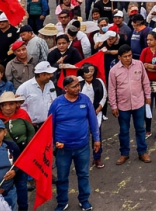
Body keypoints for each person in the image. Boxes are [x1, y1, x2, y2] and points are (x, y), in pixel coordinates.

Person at [49, 75, 100, 211]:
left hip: (82, 147)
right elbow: (50, 126)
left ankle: (84, 201)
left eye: (78, 85)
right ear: (65, 88)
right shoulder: (57, 103)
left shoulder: (85, 100)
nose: (78, 88)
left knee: (83, 175)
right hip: (63, 149)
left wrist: (96, 139)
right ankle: (62, 202)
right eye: (74, 86)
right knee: (62, 177)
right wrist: (54, 143)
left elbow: (93, 120)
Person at [0, 92, 34, 211]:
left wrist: (28, 148)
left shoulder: (23, 114)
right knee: (5, 189)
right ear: (1, 107)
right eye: (5, 105)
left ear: (16, 104)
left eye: (11, 104)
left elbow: (31, 132)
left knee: (21, 186)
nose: (8, 107)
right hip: (4, 159)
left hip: (22, 156)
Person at [107, 44, 151, 165]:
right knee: (124, 130)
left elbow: (145, 82)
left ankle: (142, 152)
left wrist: (148, 96)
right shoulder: (114, 70)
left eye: (130, 55)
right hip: (123, 106)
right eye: (125, 56)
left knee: (140, 129)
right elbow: (111, 89)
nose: (128, 58)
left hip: (139, 103)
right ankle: (124, 153)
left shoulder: (139, 65)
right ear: (119, 57)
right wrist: (113, 106)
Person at [16, 61, 56, 130]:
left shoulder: (50, 84)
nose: (51, 76)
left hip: (49, 124)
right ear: (40, 74)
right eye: (48, 74)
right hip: (32, 126)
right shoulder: (24, 88)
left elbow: (54, 100)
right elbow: (20, 108)